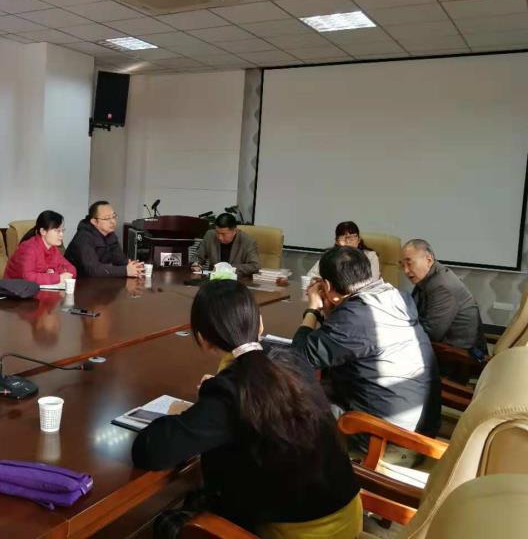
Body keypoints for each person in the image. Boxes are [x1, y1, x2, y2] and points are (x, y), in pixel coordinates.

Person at [132, 280, 361, 538]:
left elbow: (150, 451)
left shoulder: (229, 393)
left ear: (202, 339)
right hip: (348, 515)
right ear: (260, 324)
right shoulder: (292, 359)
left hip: (301, 532)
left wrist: (183, 412)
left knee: (167, 524)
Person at [294, 246, 440, 440]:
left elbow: (298, 357)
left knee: (291, 407)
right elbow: (346, 339)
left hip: (384, 437)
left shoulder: (357, 316)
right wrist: (332, 309)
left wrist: (312, 309)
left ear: (327, 286)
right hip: (420, 427)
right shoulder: (395, 297)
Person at [401, 239, 486, 353]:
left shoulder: (442, 285)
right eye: (402, 265)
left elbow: (431, 334)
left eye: (409, 263)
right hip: (441, 347)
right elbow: (412, 314)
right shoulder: (425, 279)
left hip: (460, 355)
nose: (405, 270)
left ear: (428, 260)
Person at [64, 201, 143, 278]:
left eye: (114, 216)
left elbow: (120, 260)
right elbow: (93, 269)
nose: (113, 221)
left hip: (98, 280)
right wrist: (125, 270)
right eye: (107, 218)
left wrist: (134, 266)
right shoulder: (83, 237)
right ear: (94, 222)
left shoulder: (109, 234)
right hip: (77, 281)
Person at [4, 210, 76, 285]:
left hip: (36, 288)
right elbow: (28, 277)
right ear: (43, 231)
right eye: (57, 231)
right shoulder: (29, 248)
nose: (61, 234)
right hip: (13, 289)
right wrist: (57, 277)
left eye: (62, 230)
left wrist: (55, 272)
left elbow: (72, 269)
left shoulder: (53, 248)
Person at [306, 221, 380, 280]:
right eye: (343, 238)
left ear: (359, 240)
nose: (348, 242)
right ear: (337, 241)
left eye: (352, 238)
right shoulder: (330, 257)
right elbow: (310, 277)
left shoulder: (370, 256)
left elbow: (373, 280)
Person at [191, 213, 259, 276]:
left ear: (234, 231)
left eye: (223, 234)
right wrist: (196, 264)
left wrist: (228, 268)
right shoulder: (210, 235)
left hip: (237, 280)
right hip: (213, 280)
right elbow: (198, 256)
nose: (219, 237)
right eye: (217, 232)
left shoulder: (248, 242)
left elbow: (255, 266)